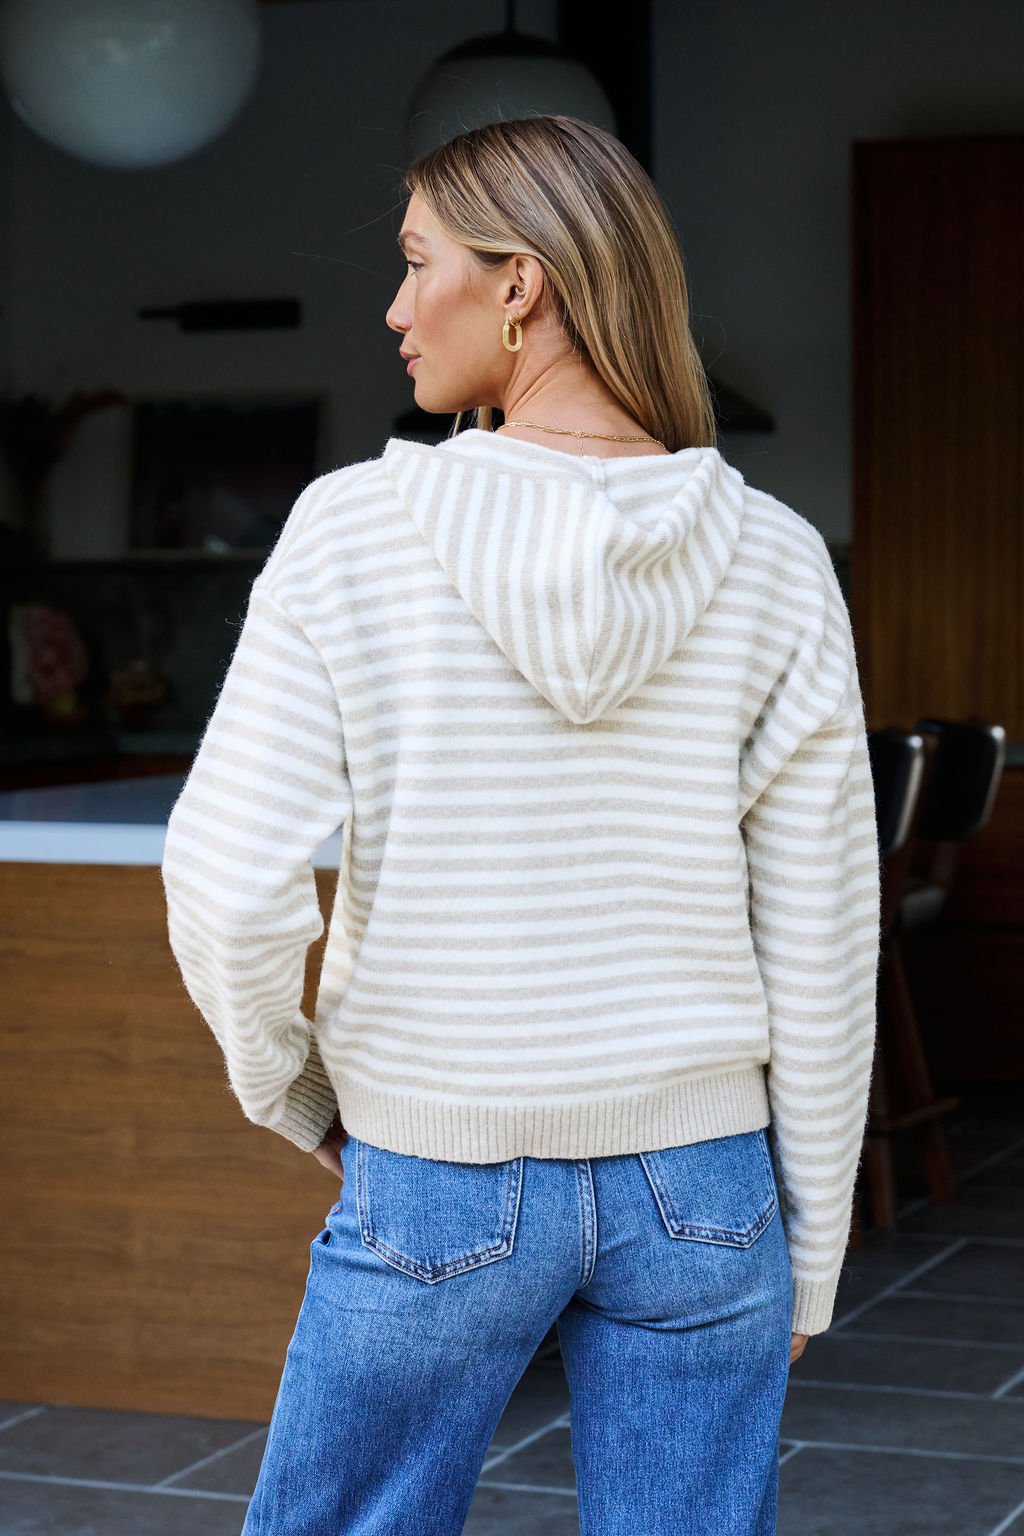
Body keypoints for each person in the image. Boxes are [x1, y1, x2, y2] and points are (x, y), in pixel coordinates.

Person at [160, 113, 881, 1535]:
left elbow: (232, 882)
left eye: (416, 260)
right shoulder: (777, 559)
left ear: (518, 285)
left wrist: (289, 1091)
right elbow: (823, 936)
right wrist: (810, 1252)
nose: (392, 306)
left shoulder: (353, 530)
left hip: (438, 1164)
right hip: (706, 1188)